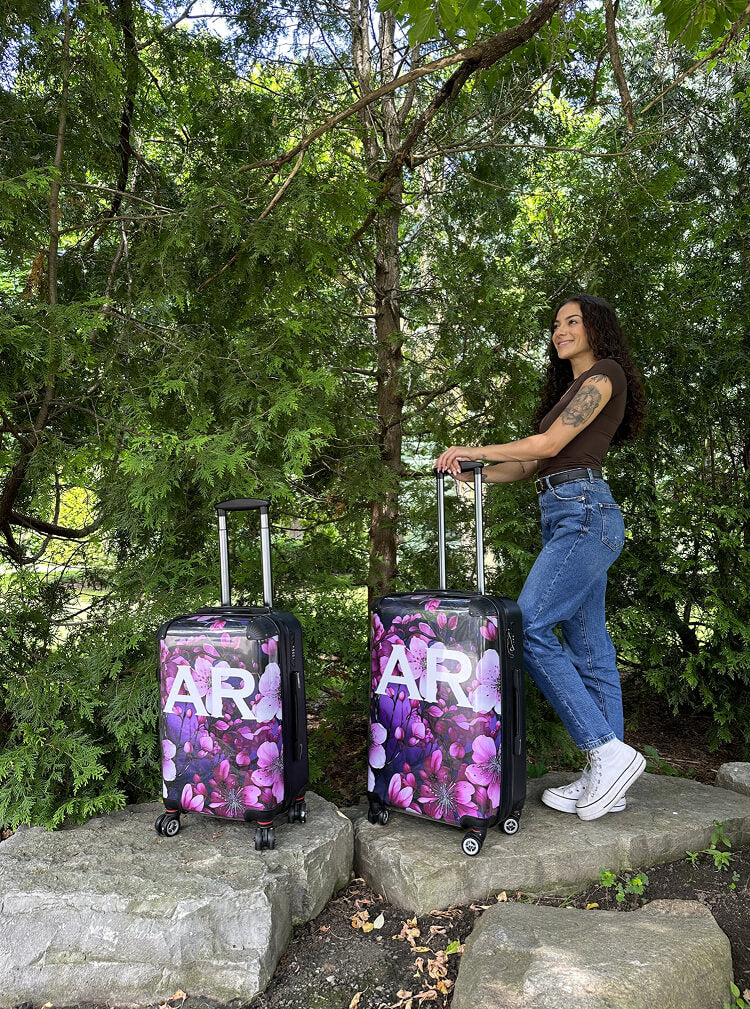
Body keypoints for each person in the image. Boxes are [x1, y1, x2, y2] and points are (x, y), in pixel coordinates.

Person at [434, 294, 647, 821]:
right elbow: (530, 466)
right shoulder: (569, 392)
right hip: (565, 512)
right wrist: (474, 472)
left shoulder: (605, 375)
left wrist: (477, 449)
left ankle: (605, 750)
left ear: (597, 328)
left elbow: (547, 443)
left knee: (527, 625)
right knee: (590, 646)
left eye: (573, 321)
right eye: (556, 324)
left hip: (584, 514)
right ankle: (609, 778)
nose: (561, 330)